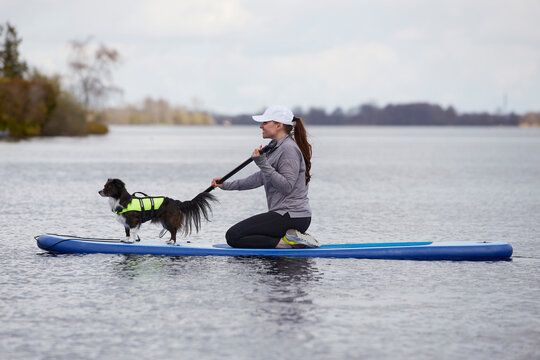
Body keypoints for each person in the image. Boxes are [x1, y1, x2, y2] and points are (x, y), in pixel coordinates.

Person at [212, 105, 319, 249]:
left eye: (265, 122)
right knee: (238, 235)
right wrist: (225, 185)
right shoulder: (276, 147)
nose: (260, 126)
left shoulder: (289, 149)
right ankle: (289, 240)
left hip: (293, 216)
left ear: (279, 125)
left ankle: (287, 244)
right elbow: (260, 177)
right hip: (284, 215)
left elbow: (286, 186)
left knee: (233, 236)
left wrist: (262, 163)